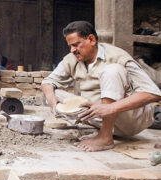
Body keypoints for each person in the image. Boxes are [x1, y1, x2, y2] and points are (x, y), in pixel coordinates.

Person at [41, 21, 161, 152]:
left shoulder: (117, 56)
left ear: (91, 39)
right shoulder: (72, 59)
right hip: (99, 115)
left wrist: (110, 108)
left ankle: (105, 137)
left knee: (112, 71)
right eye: (70, 46)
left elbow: (152, 93)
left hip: (130, 119)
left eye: (76, 45)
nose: (72, 50)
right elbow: (48, 81)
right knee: (52, 93)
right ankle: (101, 129)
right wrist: (51, 99)